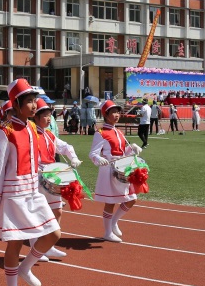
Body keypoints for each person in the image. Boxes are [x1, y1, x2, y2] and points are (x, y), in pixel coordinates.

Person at [0, 81, 63, 286]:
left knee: (54, 233)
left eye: (33, 100)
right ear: (16, 104)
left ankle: (25, 267)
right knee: (15, 244)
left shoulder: (31, 128)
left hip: (32, 192)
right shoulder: (4, 132)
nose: (33, 105)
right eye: (28, 101)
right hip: (13, 194)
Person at [32, 97, 80, 259]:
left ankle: (48, 245)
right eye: (45, 115)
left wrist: (72, 157)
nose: (48, 118)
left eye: (49, 115)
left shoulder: (50, 135)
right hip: (37, 177)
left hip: (52, 176)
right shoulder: (31, 134)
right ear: (36, 117)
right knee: (38, 213)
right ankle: (36, 247)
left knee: (57, 211)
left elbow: (66, 146)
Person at [89, 100, 143, 242]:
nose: (117, 114)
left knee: (132, 198)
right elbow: (93, 153)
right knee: (110, 202)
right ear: (105, 115)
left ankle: (113, 221)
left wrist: (132, 149)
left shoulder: (118, 131)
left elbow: (123, 151)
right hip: (109, 169)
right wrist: (98, 159)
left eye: (118, 111)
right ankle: (107, 232)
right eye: (113, 112)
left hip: (122, 167)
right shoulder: (101, 132)